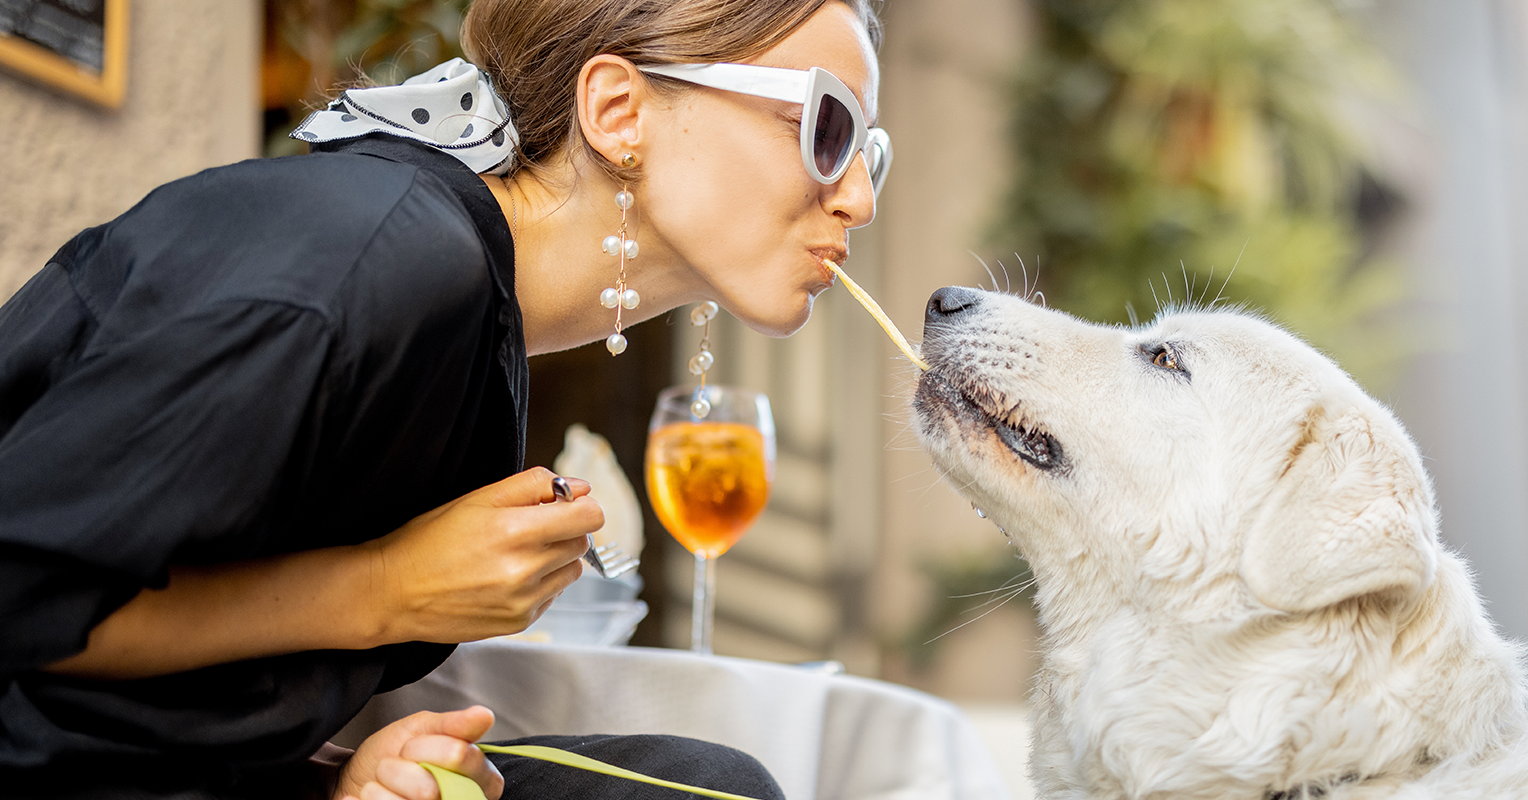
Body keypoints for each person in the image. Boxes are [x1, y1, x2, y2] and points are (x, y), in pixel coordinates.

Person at [0, 0, 884, 797]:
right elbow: (27, 599)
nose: (861, 198)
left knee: (707, 782)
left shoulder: (467, 314)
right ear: (620, 112)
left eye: (869, 152)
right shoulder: (374, 260)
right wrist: (385, 588)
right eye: (827, 127)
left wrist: (343, 773)